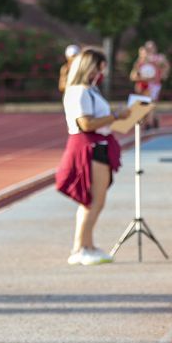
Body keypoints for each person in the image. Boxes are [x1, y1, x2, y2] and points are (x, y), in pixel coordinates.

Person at [57, 47, 128, 266]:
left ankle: (86, 244)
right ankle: (80, 247)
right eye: (100, 66)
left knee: (95, 200)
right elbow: (86, 123)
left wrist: (117, 116)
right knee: (93, 200)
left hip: (98, 144)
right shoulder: (79, 91)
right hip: (88, 145)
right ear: (90, 66)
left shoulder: (90, 90)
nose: (102, 71)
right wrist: (114, 115)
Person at [130, 40, 170, 128]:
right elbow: (133, 75)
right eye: (148, 48)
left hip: (153, 85)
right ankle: (152, 120)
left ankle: (149, 123)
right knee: (143, 104)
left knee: (150, 103)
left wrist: (164, 74)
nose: (150, 49)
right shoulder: (140, 61)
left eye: (151, 47)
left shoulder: (159, 58)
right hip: (142, 86)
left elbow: (165, 66)